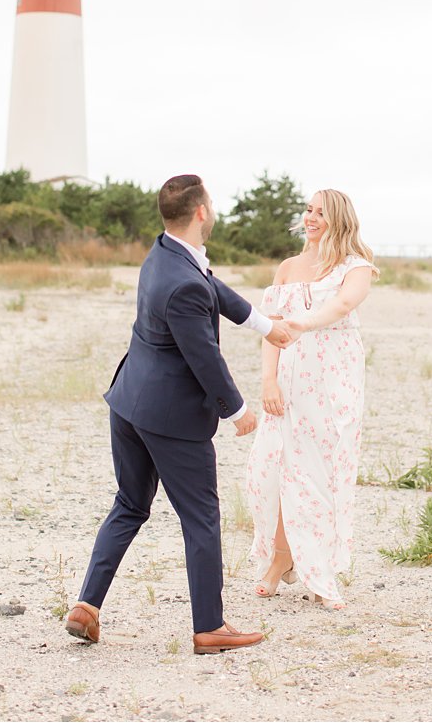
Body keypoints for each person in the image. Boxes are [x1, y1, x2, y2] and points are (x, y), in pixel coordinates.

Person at [66, 174, 294, 654]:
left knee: (129, 504)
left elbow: (214, 289)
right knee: (202, 517)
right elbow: (204, 356)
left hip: (129, 403)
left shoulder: (164, 255)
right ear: (202, 212)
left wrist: (266, 326)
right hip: (169, 417)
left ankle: (87, 606)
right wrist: (238, 411)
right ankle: (209, 627)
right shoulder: (183, 283)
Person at [245, 188, 377, 610]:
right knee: (274, 468)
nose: (312, 218)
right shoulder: (287, 268)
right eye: (308, 210)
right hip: (289, 375)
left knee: (318, 472)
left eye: (321, 212)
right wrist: (268, 380)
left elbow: (341, 306)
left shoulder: (356, 267)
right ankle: (280, 559)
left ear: (338, 219)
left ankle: (318, 571)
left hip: (333, 380)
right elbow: (272, 328)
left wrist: (298, 324)